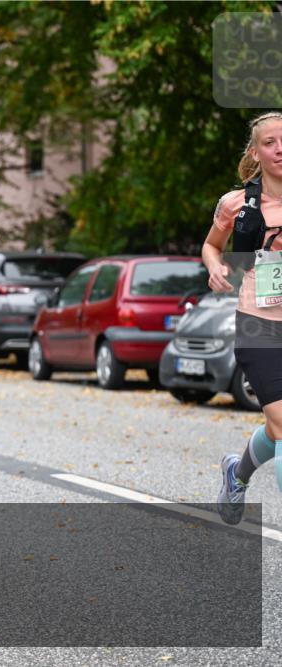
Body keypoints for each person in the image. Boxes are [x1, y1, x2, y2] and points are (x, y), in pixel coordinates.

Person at [211, 111, 282, 524]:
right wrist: (215, 266)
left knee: (276, 428)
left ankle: (237, 474)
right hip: (259, 325)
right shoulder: (237, 204)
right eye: (270, 142)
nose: (280, 149)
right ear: (255, 152)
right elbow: (211, 246)